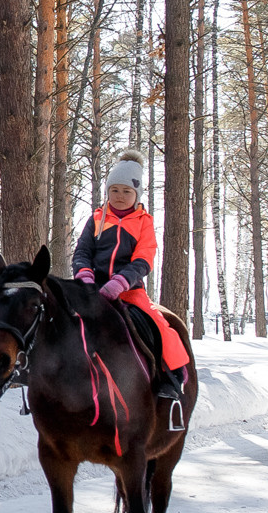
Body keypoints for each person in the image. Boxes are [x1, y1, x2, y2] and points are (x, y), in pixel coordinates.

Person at [71, 150, 192, 403]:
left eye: (126, 191)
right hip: (92, 289)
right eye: (114, 190)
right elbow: (82, 251)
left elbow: (144, 258)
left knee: (159, 326)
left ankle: (171, 377)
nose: (120, 196)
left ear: (137, 194)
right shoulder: (95, 219)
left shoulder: (143, 222)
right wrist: (85, 277)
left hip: (129, 291)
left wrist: (120, 282)